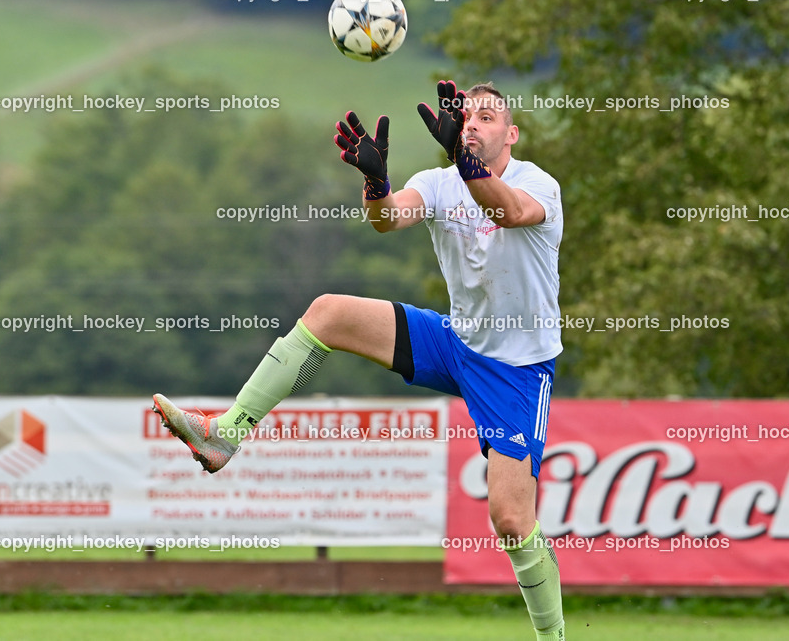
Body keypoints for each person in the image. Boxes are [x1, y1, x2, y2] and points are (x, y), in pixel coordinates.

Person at [153, 80, 565, 640]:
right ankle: (226, 433)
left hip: (516, 370)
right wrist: (376, 183)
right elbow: (387, 219)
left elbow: (509, 211)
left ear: (511, 134)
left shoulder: (537, 183)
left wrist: (463, 160)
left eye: (486, 117)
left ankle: (553, 637)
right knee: (328, 313)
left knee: (512, 522)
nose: (472, 122)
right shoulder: (439, 182)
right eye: (466, 116)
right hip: (456, 342)